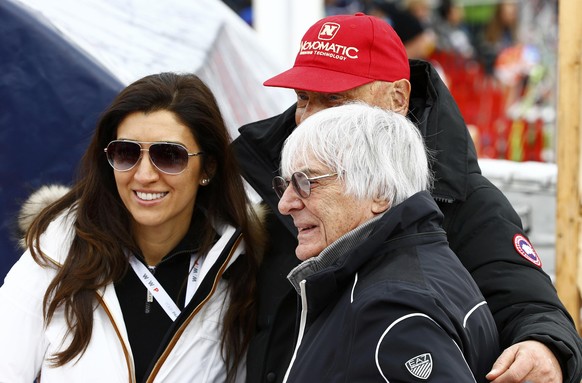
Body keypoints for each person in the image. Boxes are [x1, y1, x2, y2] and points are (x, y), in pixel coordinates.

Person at [232, 13, 582, 383]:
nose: (311, 117)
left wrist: (542, 347)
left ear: (397, 97)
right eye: (303, 98)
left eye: (335, 99)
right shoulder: (274, 182)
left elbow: (529, 304)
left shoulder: (462, 199)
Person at [0, 72, 264, 383]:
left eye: (169, 156)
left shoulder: (242, 266)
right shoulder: (57, 251)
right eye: (126, 153)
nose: (143, 175)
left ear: (207, 167)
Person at [275, 103, 500, 382]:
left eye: (306, 181)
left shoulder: (390, 305)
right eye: (285, 185)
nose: (285, 204)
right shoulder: (412, 269)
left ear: (379, 191)